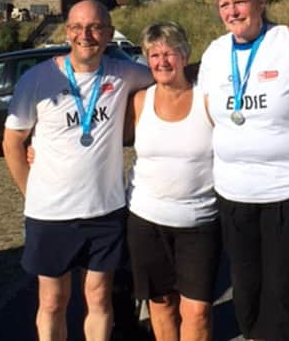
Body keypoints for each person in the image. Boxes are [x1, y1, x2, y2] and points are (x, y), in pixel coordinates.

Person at [2, 0, 153, 341]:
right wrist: (32, 192)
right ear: (67, 31)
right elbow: (12, 142)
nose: (86, 35)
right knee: (54, 301)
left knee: (99, 297)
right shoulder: (38, 79)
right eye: (77, 27)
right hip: (51, 214)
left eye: (96, 27)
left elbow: (168, 77)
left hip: (105, 210)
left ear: (110, 33)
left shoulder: (124, 72)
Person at [197, 0, 289, 341]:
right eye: (224, 4)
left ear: (261, 2)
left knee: (286, 293)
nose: (232, 11)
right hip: (235, 195)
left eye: (240, 1)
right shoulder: (216, 53)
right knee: (246, 291)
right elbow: (209, 112)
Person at [124, 22, 220, 341]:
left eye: (170, 53)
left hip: (199, 221)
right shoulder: (139, 101)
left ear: (184, 55)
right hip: (147, 220)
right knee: (161, 305)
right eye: (154, 55)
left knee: (198, 311)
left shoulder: (207, 100)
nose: (162, 62)